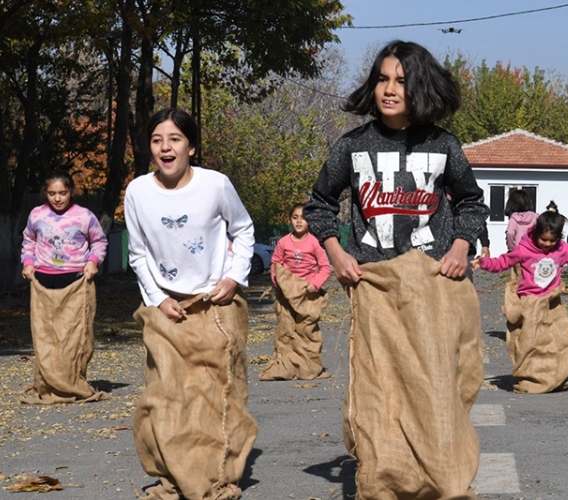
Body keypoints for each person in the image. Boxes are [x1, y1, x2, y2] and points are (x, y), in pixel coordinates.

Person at [301, 40, 488, 499]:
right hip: (375, 286)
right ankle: (388, 479)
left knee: (437, 386)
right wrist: (336, 253)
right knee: (381, 390)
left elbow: (471, 202)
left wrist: (461, 247)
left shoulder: (443, 145)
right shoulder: (352, 146)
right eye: (383, 79)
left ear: (419, 86)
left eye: (401, 81)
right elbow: (320, 204)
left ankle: (442, 475)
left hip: (433, 286)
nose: (389, 89)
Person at [124, 107, 258, 500]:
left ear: (192, 147)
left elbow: (244, 229)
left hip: (214, 306)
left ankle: (217, 475)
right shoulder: (137, 191)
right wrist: (158, 299)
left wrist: (233, 278)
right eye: (157, 140)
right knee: (164, 397)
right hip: (165, 309)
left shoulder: (215, 185)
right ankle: (171, 476)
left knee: (218, 395)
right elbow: (138, 254)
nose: (165, 147)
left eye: (175, 139)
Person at [472, 211, 568, 393]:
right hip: (529, 303)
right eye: (543, 240)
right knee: (531, 343)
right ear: (536, 233)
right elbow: (503, 262)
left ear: (558, 238)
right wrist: (483, 263)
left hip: (552, 303)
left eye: (551, 241)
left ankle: (554, 376)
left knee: (560, 340)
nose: (547, 244)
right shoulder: (523, 249)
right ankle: (531, 378)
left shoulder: (562, 249)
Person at [19, 169, 108, 405]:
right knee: (46, 336)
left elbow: (99, 241)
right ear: (45, 194)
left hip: (76, 282)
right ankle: (48, 383)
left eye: (62, 193)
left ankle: (72, 383)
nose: (57, 198)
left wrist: (92, 262)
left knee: (74, 336)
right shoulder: (37, 215)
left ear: (71, 192)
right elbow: (28, 240)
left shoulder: (84, 216)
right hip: (43, 282)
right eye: (52, 193)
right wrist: (28, 263)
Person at [260, 203, 333, 381]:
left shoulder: (314, 242)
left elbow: (325, 267)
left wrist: (315, 284)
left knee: (306, 330)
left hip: (307, 294)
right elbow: (276, 264)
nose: (299, 221)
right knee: (285, 330)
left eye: (303, 218)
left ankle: (310, 367)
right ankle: (286, 367)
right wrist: (278, 281)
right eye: (295, 218)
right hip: (286, 293)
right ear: (290, 220)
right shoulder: (284, 242)